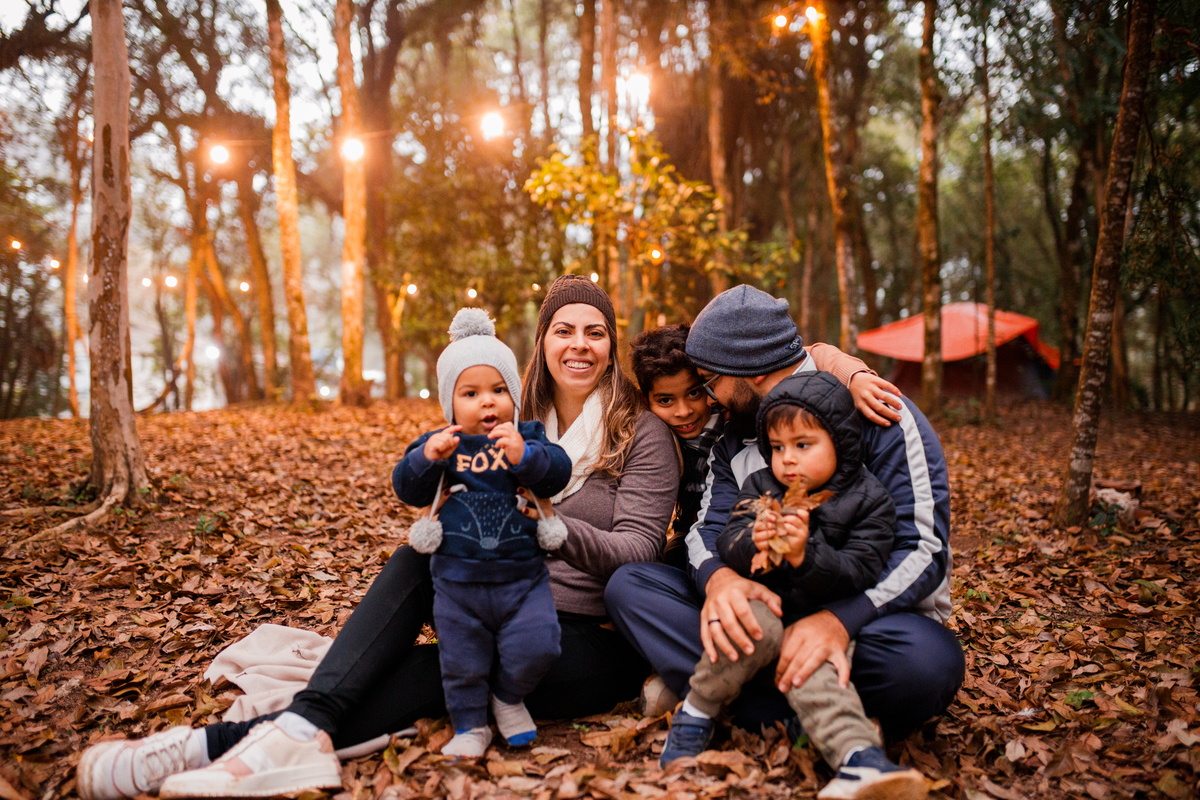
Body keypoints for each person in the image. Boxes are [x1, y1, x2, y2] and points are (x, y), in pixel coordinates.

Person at [77, 275, 678, 800]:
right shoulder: (513, 420)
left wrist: (545, 528)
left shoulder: (641, 434)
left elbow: (637, 552)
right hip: (487, 594)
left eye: (595, 332)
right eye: (563, 330)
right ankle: (279, 739)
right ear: (542, 341)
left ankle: (213, 748)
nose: (579, 345)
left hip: (576, 638)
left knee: (429, 676)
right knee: (419, 560)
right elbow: (425, 482)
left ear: (611, 344)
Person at [606, 285, 964, 749]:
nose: (711, 401)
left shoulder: (882, 415)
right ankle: (800, 711)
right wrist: (718, 580)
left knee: (924, 667)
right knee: (631, 587)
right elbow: (706, 532)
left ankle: (733, 697)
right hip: (765, 617)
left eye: (710, 384)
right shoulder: (733, 438)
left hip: (867, 619)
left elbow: (924, 549)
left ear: (748, 373)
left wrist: (837, 622)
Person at [659, 371, 928, 800]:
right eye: (778, 447)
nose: (787, 460)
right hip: (769, 606)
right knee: (743, 632)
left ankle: (857, 759)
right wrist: (752, 542)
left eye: (803, 446)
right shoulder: (762, 486)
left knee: (819, 673)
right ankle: (696, 711)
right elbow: (728, 539)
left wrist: (807, 555)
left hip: (824, 617)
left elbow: (862, 569)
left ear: (839, 441)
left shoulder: (868, 499)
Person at [626, 321, 899, 711]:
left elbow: (810, 356)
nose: (685, 410)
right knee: (641, 579)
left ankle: (722, 688)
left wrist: (849, 372)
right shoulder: (653, 434)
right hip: (708, 550)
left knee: (915, 662)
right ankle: (716, 680)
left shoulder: (742, 417)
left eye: (696, 391)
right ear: (647, 400)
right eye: (665, 401)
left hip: (785, 568)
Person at [393, 308, 573, 756]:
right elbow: (407, 488)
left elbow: (557, 475)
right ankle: (471, 725)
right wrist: (425, 457)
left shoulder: (527, 436)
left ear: (513, 394)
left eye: (498, 390)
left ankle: (509, 697)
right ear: (450, 403)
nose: (487, 402)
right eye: (470, 393)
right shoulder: (442, 443)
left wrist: (526, 456)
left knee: (539, 645)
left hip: (523, 581)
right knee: (462, 662)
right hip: (457, 583)